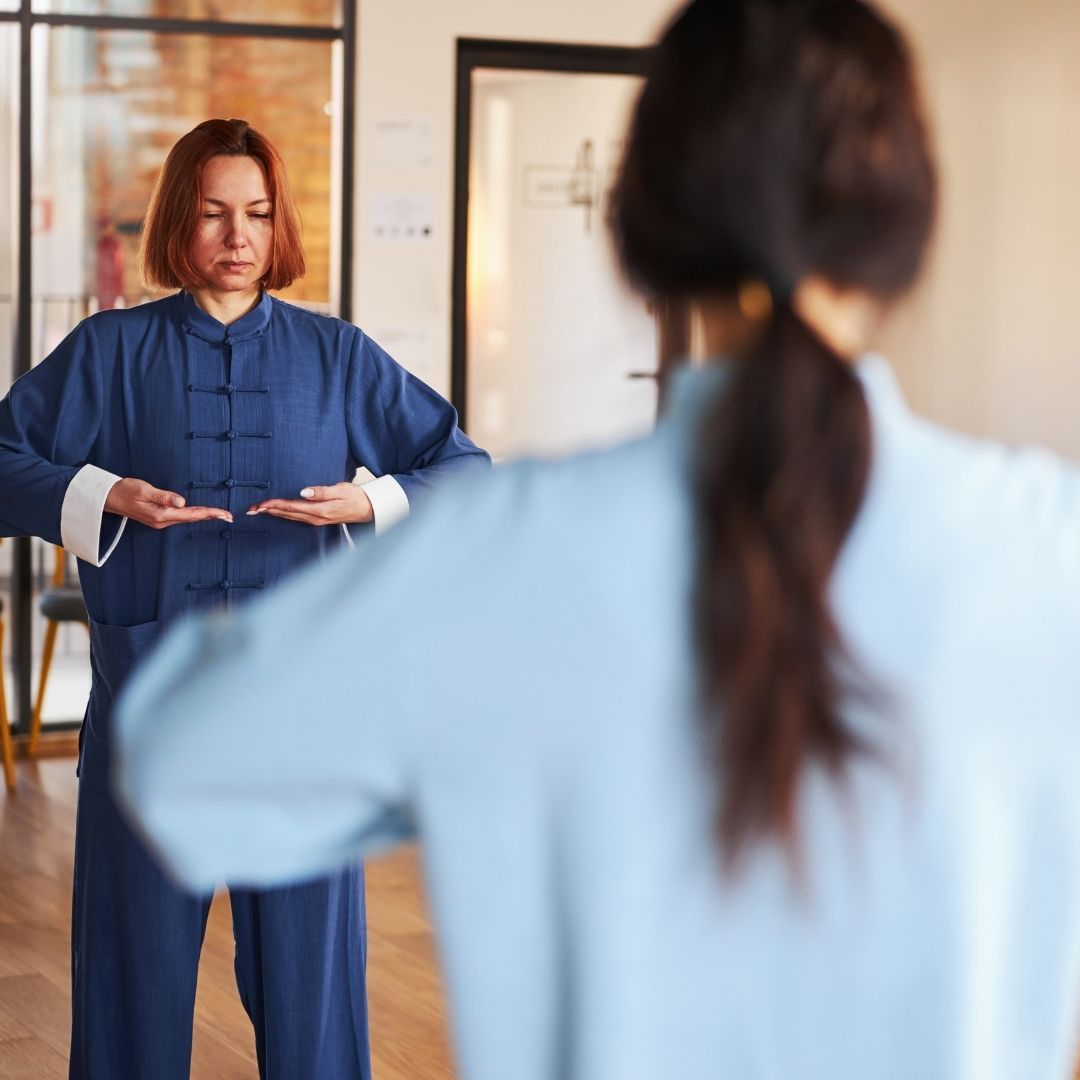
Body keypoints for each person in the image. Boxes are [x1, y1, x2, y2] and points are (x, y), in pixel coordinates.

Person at [115, 5, 1080, 1080]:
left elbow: (171, 763)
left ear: (638, 234)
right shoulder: (1051, 547)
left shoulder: (499, 555)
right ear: (912, 228)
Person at [0, 118, 488, 1079]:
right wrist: (101, 494)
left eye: (258, 215)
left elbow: (463, 469)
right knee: (129, 982)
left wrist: (371, 497)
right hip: (151, 717)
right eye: (216, 214)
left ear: (279, 227)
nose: (238, 237)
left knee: (313, 996)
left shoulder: (336, 355)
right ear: (180, 222)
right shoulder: (109, 352)